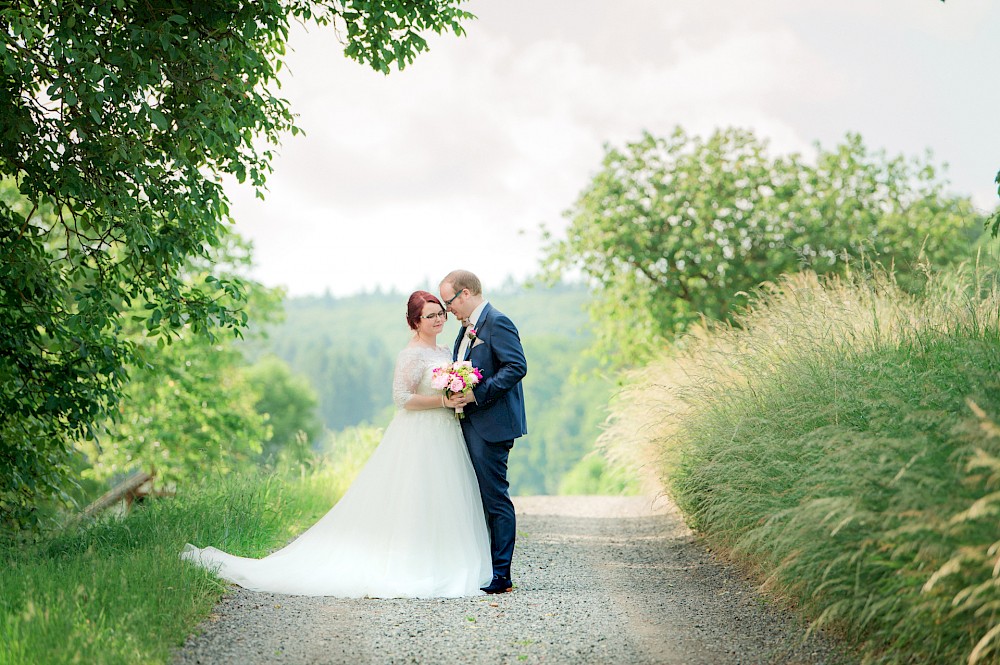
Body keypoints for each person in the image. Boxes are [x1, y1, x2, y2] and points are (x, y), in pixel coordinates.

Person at [181, 291, 492, 598]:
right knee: (416, 495)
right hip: (420, 433)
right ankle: (414, 564)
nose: (438, 319)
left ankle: (444, 561)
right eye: (430, 316)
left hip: (446, 432)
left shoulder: (445, 351)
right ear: (415, 321)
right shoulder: (411, 355)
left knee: (443, 495)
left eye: (440, 313)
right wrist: (442, 399)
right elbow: (402, 399)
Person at [439, 270, 527, 595]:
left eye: (449, 303)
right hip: (470, 422)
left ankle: (501, 575)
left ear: (464, 294)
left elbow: (516, 366)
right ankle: (485, 568)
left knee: (494, 498)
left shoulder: (497, 322)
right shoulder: (467, 331)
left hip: (492, 425)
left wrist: (476, 394)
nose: (448, 311)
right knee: (476, 499)